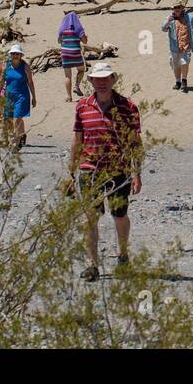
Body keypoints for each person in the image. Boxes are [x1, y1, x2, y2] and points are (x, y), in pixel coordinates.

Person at [69, 61, 142, 282]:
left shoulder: (128, 107)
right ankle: (93, 265)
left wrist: (136, 173)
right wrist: (71, 172)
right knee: (91, 217)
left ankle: (123, 255)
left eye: (105, 78)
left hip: (118, 171)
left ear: (113, 80)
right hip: (89, 171)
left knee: (119, 215)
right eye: (97, 79)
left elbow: (135, 142)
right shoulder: (82, 106)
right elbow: (77, 140)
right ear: (90, 81)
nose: (101, 83)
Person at [0, 44, 37, 152]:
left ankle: (16, 142)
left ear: (21, 55)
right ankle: (19, 136)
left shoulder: (25, 66)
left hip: (22, 96)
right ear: (10, 54)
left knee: (17, 119)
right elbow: (1, 81)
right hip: (9, 96)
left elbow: (30, 82)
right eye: (13, 53)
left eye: (17, 54)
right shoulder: (6, 65)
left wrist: (34, 97)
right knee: (8, 120)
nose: (15, 55)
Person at [161, 1, 193, 92]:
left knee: (184, 62)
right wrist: (168, 21)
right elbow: (163, 28)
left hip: (186, 45)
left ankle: (184, 81)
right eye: (175, 8)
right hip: (174, 47)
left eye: (178, 7)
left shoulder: (189, 17)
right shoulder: (170, 18)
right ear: (173, 9)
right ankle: (178, 82)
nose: (177, 9)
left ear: (182, 8)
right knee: (175, 65)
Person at [57, 10, 88, 102]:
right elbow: (85, 41)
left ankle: (69, 96)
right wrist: (85, 37)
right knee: (82, 69)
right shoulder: (78, 29)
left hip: (65, 54)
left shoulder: (62, 30)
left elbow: (59, 41)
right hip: (75, 53)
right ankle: (77, 86)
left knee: (67, 76)